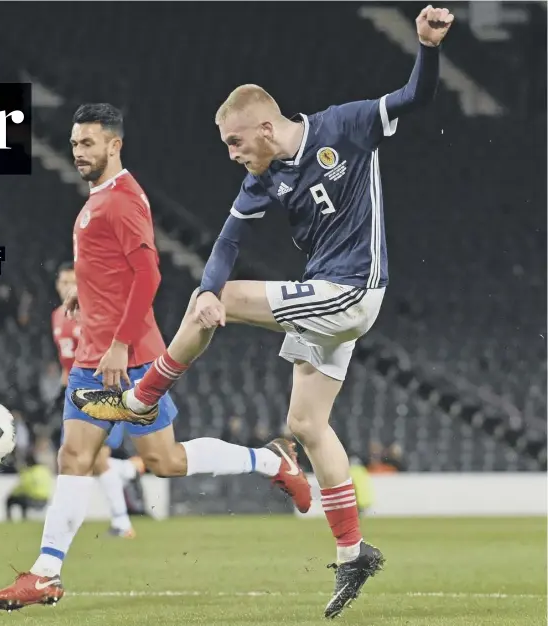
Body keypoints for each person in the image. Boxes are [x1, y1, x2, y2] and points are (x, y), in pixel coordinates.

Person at [73, 7, 454, 618]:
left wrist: (428, 47)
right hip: (324, 296)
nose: (230, 154)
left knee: (223, 300)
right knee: (305, 423)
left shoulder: (347, 126)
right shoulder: (264, 177)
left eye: (234, 142)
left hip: (355, 287)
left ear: (267, 128)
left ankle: (142, 399)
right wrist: (204, 289)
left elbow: (417, 95)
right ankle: (354, 552)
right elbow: (226, 241)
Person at [0, 102, 311, 612]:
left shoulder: (123, 200)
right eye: (74, 144)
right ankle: (46, 574)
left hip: (126, 356)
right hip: (97, 355)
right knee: (89, 457)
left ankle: (270, 459)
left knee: (162, 461)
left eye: (88, 143)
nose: (78, 152)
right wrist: (85, 294)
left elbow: (149, 275)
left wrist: (118, 342)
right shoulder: (97, 200)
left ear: (114, 145)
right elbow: (109, 267)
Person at [52, 261, 145, 538]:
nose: (68, 287)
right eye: (63, 282)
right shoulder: (57, 316)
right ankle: (130, 472)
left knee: (96, 456)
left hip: (101, 387)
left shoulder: (93, 312)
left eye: (73, 282)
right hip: (73, 393)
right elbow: (65, 357)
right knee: (89, 459)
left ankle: (121, 521)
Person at [6, 452, 53, 521]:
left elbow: (23, 487)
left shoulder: (29, 472)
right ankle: (24, 519)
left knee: (12, 499)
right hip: (45, 499)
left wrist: (12, 493)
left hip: (33, 499)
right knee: (23, 498)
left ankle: (17, 519)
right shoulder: (44, 470)